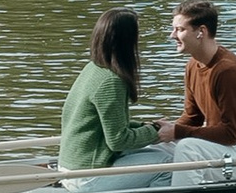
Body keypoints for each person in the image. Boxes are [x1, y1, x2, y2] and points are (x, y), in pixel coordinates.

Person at [161, 0, 236, 155]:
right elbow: (192, 117)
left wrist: (178, 132)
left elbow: (230, 134)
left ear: (201, 32)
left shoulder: (228, 71)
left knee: (187, 147)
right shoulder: (193, 65)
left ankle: (183, 181)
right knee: (158, 148)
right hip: (225, 146)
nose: (172, 35)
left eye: (180, 29)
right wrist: (161, 132)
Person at [57, 9, 161, 171]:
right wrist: (155, 132)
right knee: (169, 163)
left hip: (71, 165)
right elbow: (118, 140)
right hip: (86, 172)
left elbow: (105, 125)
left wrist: (144, 126)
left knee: (157, 155)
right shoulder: (111, 82)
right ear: (127, 40)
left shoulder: (92, 69)